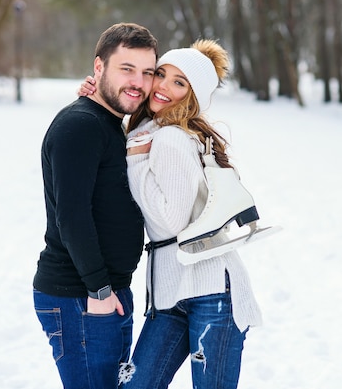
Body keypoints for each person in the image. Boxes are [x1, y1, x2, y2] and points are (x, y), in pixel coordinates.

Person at [79, 39, 262, 389]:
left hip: (211, 293)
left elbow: (170, 223)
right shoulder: (148, 132)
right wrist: (95, 99)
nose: (163, 86)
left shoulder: (170, 139)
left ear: (192, 96)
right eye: (161, 74)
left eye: (179, 82)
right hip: (170, 295)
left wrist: (136, 159)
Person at [32, 22, 158, 389]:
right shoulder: (81, 125)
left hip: (103, 293)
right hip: (81, 296)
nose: (137, 81)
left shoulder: (108, 122)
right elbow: (71, 216)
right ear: (99, 67)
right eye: (126, 69)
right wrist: (99, 291)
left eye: (146, 72)